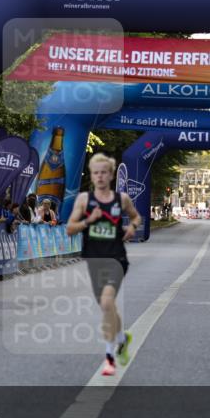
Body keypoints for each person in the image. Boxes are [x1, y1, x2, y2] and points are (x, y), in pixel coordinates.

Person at [66, 153, 141, 377]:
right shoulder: (84, 200)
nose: (99, 177)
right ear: (92, 175)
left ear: (110, 175)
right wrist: (88, 220)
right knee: (108, 307)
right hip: (94, 259)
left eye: (103, 173)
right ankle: (122, 339)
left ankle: (109, 359)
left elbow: (136, 217)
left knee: (107, 303)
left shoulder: (122, 199)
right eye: (95, 173)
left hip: (117, 258)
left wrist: (132, 228)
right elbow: (70, 228)